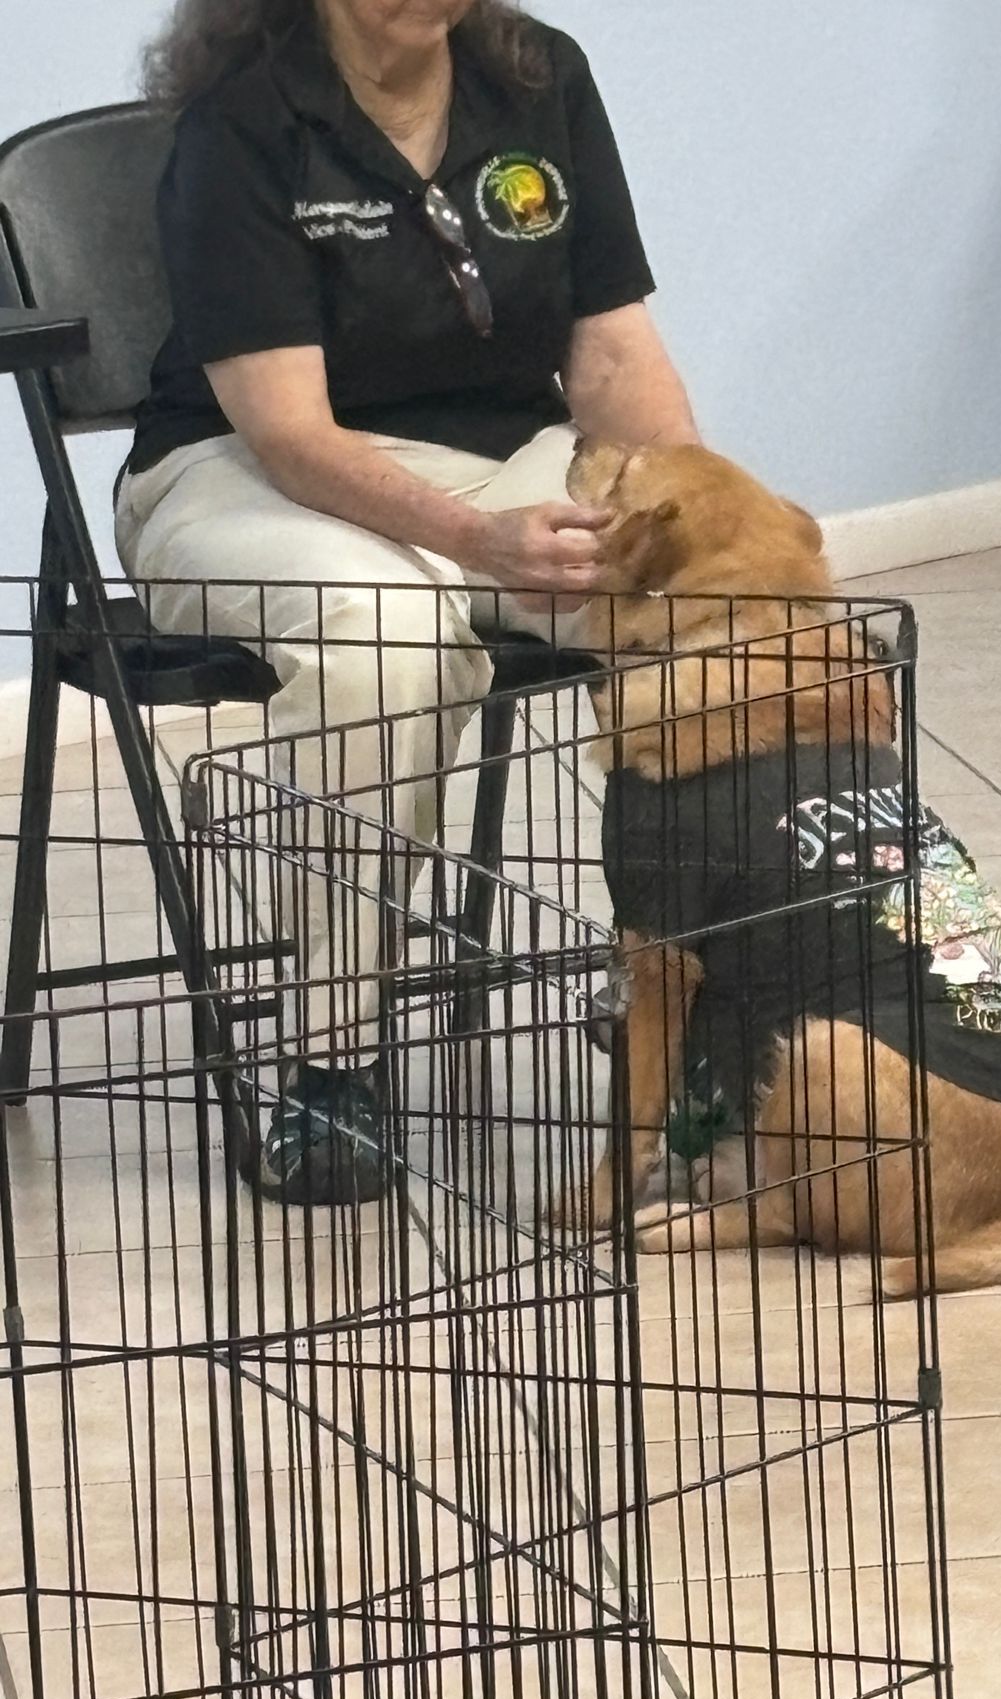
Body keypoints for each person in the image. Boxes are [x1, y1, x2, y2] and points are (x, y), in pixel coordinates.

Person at [123, 0, 699, 1201]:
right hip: (241, 472)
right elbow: (287, 430)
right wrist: (479, 543)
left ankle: (692, 987)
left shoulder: (541, 78)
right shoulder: (246, 122)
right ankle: (330, 1062)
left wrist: (687, 517)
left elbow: (609, 357)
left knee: (700, 597)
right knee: (388, 628)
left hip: (496, 453)